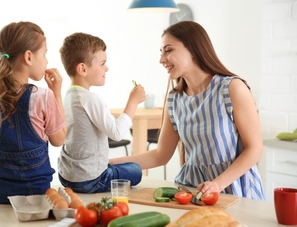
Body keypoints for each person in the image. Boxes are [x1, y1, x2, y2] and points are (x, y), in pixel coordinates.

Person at [110, 21, 265, 200]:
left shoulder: (232, 88)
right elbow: (160, 155)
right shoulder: (174, 100)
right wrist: (110, 163)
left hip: (235, 190)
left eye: (168, 50)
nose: (161, 60)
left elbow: (254, 149)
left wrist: (217, 184)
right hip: (192, 191)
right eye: (161, 53)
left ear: (193, 49)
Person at [0, 21, 67, 204]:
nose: (47, 60)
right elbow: (59, 139)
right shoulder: (43, 96)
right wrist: (57, 93)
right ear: (29, 57)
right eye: (45, 53)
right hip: (34, 192)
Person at [57, 32, 145, 193]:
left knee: (119, 165)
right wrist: (133, 101)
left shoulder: (68, 96)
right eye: (103, 63)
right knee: (135, 170)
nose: (107, 68)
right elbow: (117, 133)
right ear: (83, 69)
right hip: (90, 180)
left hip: (66, 176)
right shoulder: (90, 98)